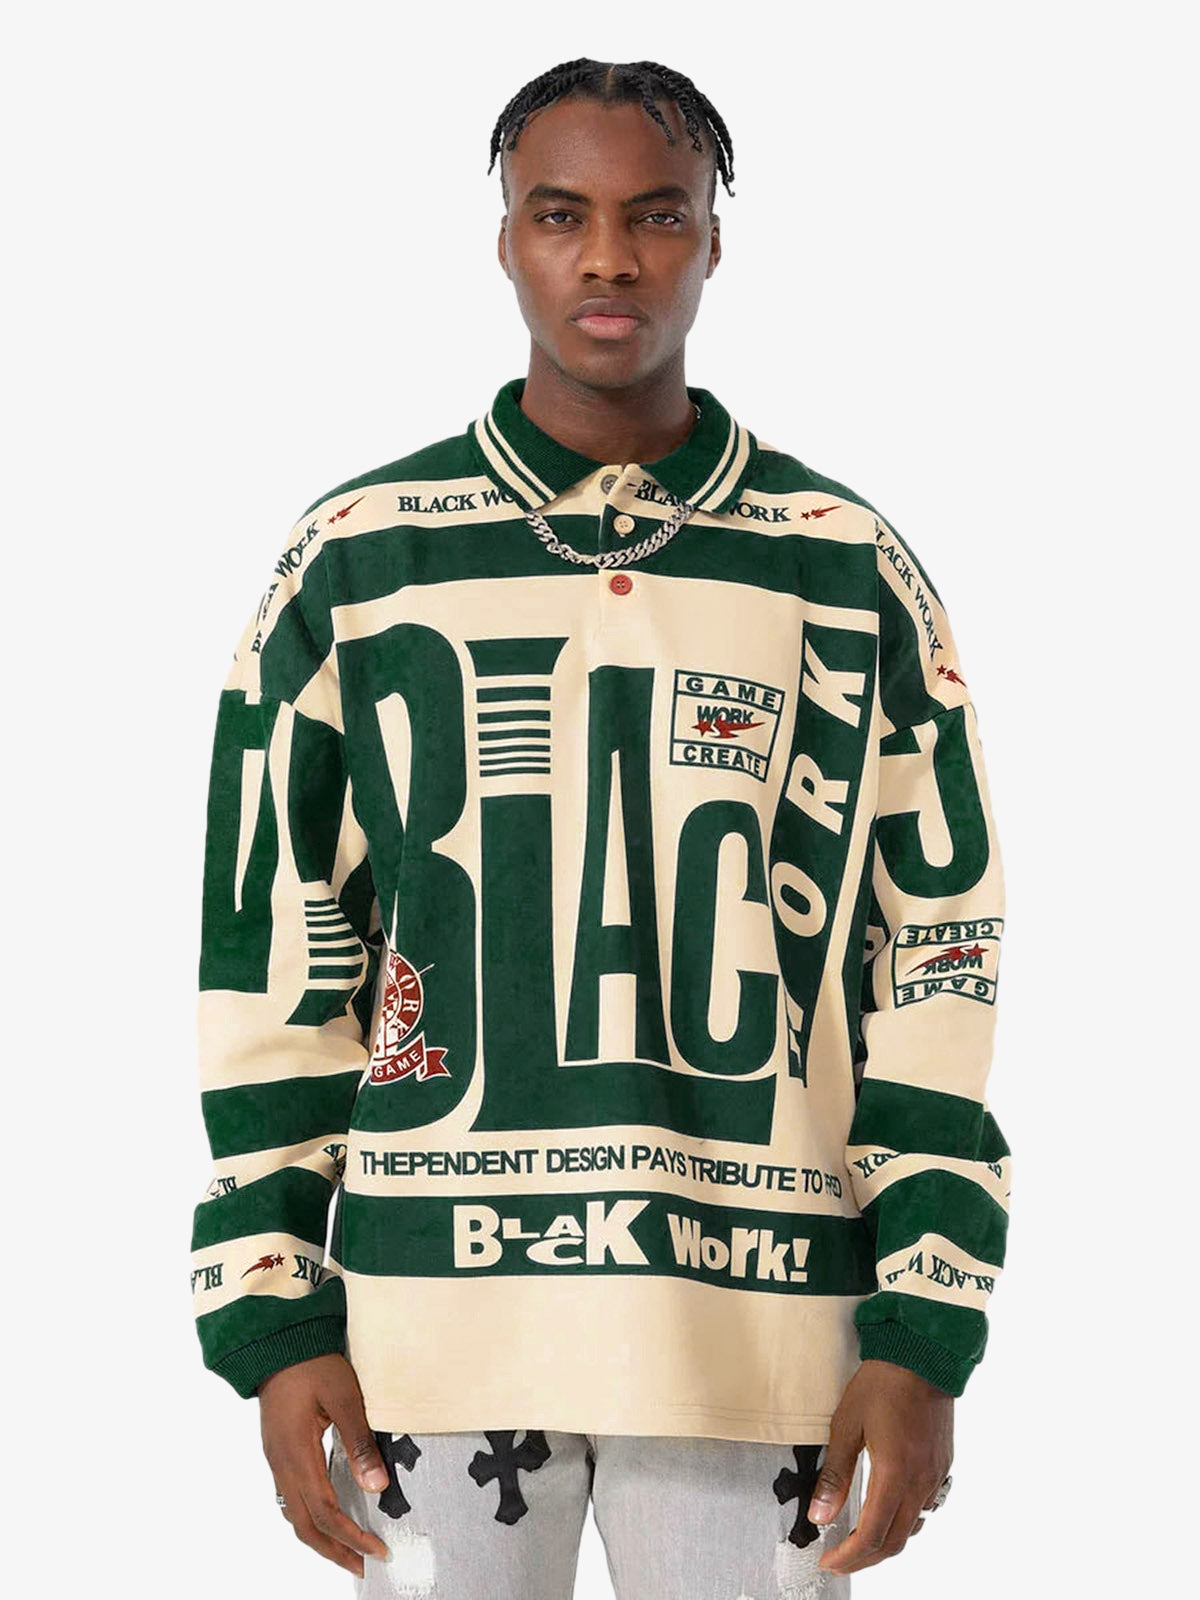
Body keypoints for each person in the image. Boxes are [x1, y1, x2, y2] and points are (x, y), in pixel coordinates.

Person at [190, 57, 1010, 1599]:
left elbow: (935, 960)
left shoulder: (841, 568)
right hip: (429, 1340)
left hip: (755, 1337)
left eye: (659, 215)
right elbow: (275, 954)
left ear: (715, 241)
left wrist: (922, 1329)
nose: (612, 259)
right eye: (561, 215)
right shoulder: (360, 560)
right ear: (506, 239)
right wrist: (275, 1311)